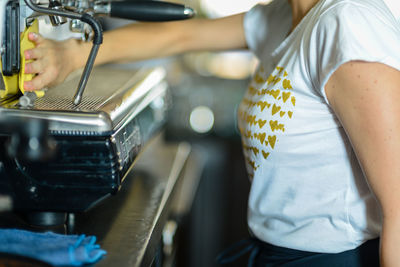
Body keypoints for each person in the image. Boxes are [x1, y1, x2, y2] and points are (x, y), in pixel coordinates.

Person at [21, 0, 400, 266]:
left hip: (337, 260)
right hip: (277, 253)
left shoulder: (346, 22)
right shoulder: (282, 15)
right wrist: (73, 54)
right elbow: (181, 37)